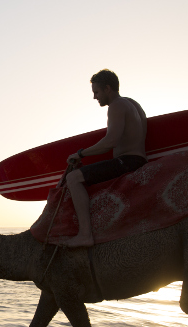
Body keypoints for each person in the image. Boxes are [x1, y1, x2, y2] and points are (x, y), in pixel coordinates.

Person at [64, 69, 148, 247]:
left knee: (73, 178)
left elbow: (111, 141)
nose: (95, 97)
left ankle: (85, 235)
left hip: (127, 162)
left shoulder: (116, 106)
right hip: (138, 159)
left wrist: (80, 154)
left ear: (108, 88)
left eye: (96, 92)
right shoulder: (134, 104)